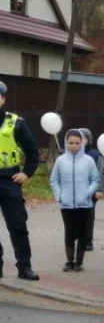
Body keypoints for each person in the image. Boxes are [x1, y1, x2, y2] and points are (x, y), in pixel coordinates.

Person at [0, 81, 39, 280]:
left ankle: (24, 267)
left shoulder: (16, 123)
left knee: (17, 224)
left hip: (9, 179)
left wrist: (27, 172)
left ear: (3, 99)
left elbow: (33, 151)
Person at [50, 129, 99, 272]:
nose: (74, 146)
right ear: (66, 142)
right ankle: (69, 261)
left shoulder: (89, 161)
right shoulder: (60, 161)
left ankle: (79, 261)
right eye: (71, 143)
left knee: (82, 231)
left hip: (83, 204)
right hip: (66, 204)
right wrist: (59, 195)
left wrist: (87, 193)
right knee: (69, 231)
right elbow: (54, 180)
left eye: (77, 143)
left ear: (82, 143)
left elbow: (95, 180)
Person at [79, 128, 100, 248]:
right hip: (76, 189)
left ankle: (88, 240)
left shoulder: (94, 154)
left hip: (90, 190)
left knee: (89, 216)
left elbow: (98, 172)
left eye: (85, 138)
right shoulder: (72, 154)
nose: (82, 141)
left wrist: (96, 189)